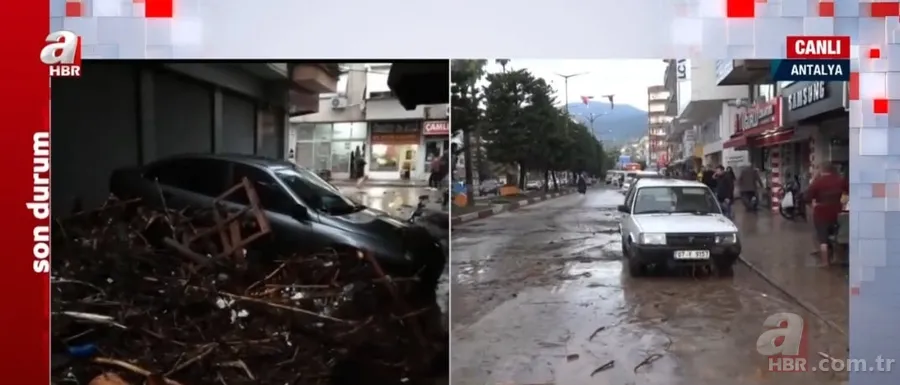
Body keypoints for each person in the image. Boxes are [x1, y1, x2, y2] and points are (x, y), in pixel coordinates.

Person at [805, 162, 849, 267]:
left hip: (821, 213)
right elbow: (850, 191)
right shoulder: (840, 180)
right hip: (837, 212)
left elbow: (807, 197)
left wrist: (812, 206)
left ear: (823, 170)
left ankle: (825, 262)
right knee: (839, 235)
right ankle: (839, 257)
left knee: (822, 238)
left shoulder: (818, 182)